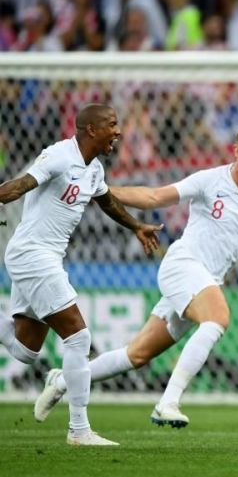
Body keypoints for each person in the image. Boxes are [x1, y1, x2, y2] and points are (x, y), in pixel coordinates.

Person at [34, 123, 238, 428]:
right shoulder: (210, 180)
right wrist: (101, 190)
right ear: (236, 150)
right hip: (183, 266)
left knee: (136, 355)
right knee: (218, 317)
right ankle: (168, 402)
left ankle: (62, 380)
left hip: (203, 280)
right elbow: (153, 197)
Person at [0, 104, 162, 446]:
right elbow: (20, 186)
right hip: (32, 255)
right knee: (77, 337)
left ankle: (76, 422)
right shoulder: (59, 156)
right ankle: (78, 430)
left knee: (25, 352)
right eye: (112, 125)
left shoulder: (94, 169)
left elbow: (106, 202)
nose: (118, 132)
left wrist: (136, 227)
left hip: (46, 259)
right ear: (91, 129)